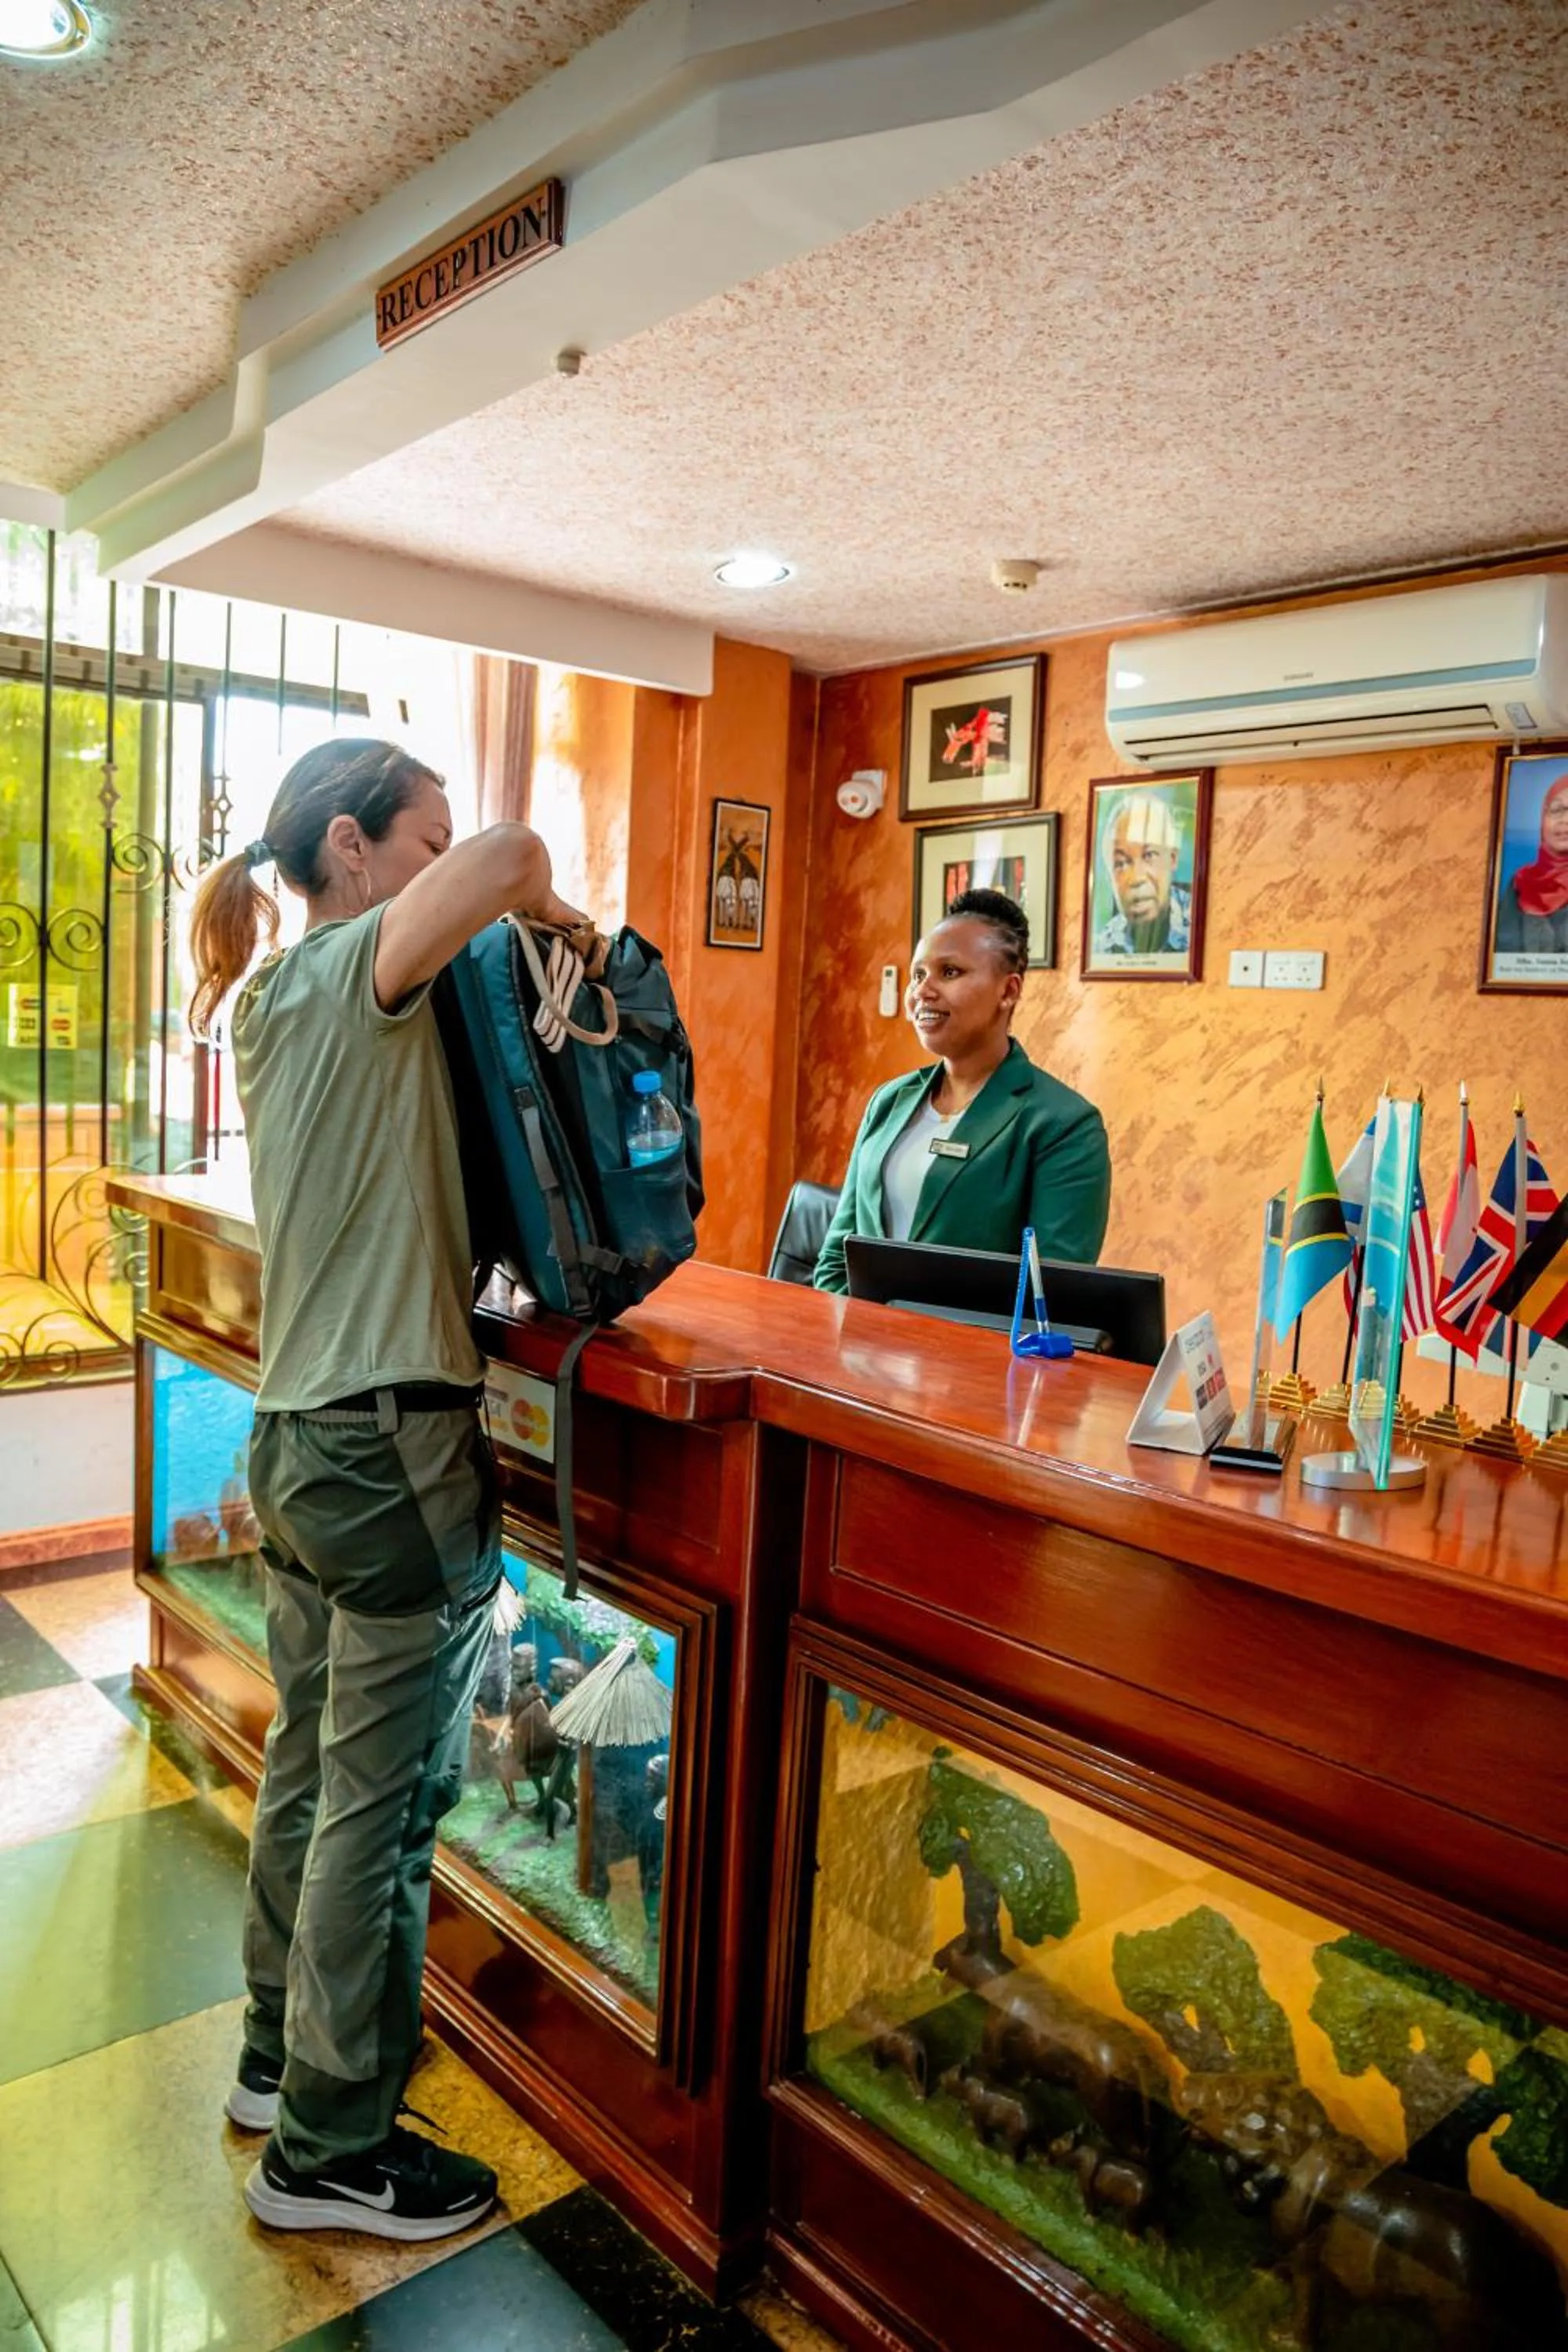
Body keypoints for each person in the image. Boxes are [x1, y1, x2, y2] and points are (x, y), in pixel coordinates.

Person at [188, 739, 579, 2244]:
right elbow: (511, 852)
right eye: (414, 843)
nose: (439, 866)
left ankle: (279, 2069)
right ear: (351, 852)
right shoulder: (358, 966)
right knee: (386, 1803)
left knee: (309, 1773)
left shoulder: (274, 1000)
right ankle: (333, 2155)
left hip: (298, 1439)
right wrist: (563, 924)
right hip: (390, 1445)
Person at [812, 888, 1110, 1291]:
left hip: (970, 1352)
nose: (922, 991)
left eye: (949, 973)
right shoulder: (889, 1102)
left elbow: (1050, 1296)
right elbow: (835, 1258)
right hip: (860, 1348)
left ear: (1008, 991)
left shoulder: (1063, 1124)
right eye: (918, 974)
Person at [1093, 790, 1190, 959]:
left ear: (1172, 859)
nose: (1137, 878)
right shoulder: (1102, 948)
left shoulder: (1200, 930)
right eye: (1121, 864)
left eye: (1149, 855)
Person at [1495, 772, 1568, 956]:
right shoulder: (1521, 882)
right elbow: (1503, 951)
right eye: (1557, 810)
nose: (1565, 820)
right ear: (1543, 819)